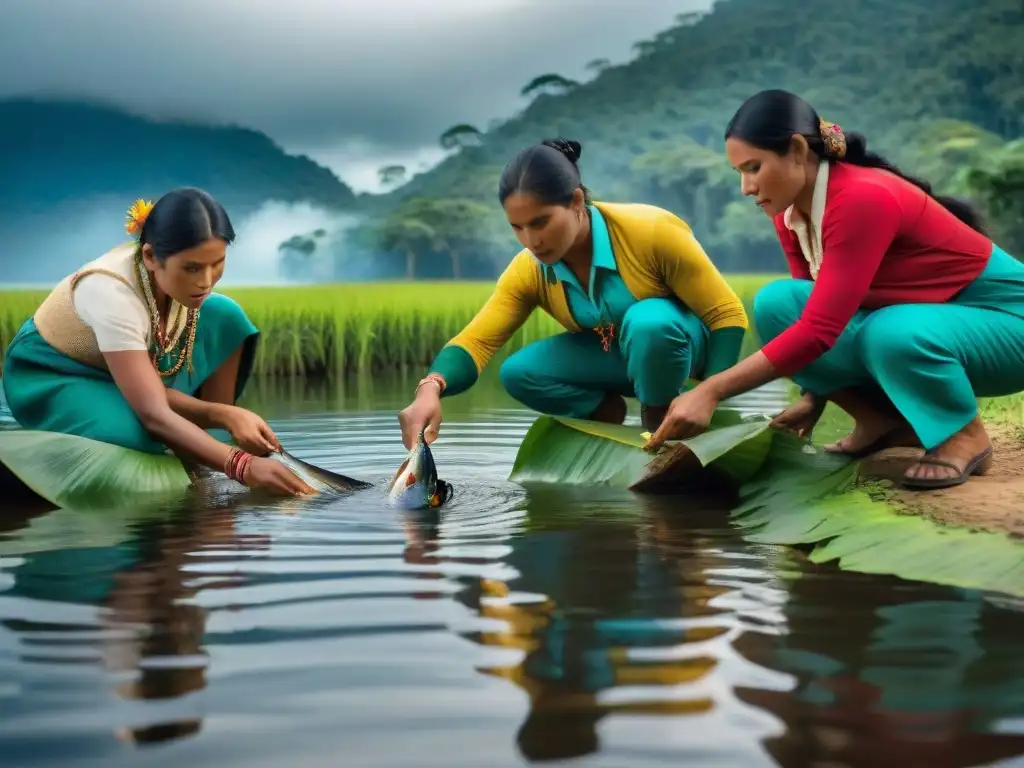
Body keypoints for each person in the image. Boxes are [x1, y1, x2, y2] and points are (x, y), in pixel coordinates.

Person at [643, 89, 1024, 490]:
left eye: (753, 168)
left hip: (1007, 327)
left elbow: (820, 331)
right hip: (936, 325)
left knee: (890, 330)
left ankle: (962, 435)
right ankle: (880, 423)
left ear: (795, 150)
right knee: (778, 303)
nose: (746, 187)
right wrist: (813, 396)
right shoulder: (791, 213)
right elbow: (812, 312)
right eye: (739, 172)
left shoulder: (863, 197)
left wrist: (711, 390)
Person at [398, 138, 749, 448]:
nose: (531, 241)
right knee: (519, 371)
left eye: (541, 222)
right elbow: (477, 342)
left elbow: (727, 315)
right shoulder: (528, 269)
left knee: (649, 322)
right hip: (619, 358)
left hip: (682, 351)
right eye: (517, 227)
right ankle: (606, 416)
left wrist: (709, 394)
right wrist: (430, 387)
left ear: (576, 200)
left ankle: (659, 415)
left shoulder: (651, 231)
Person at [1, 188, 313, 496]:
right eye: (191, 267)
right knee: (138, 434)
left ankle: (210, 445)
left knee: (225, 314)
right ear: (151, 256)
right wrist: (241, 466)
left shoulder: (177, 286)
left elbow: (152, 390)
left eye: (216, 263)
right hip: (57, 372)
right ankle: (210, 451)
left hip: (127, 372)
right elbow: (154, 414)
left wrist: (225, 414)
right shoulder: (110, 293)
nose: (205, 281)